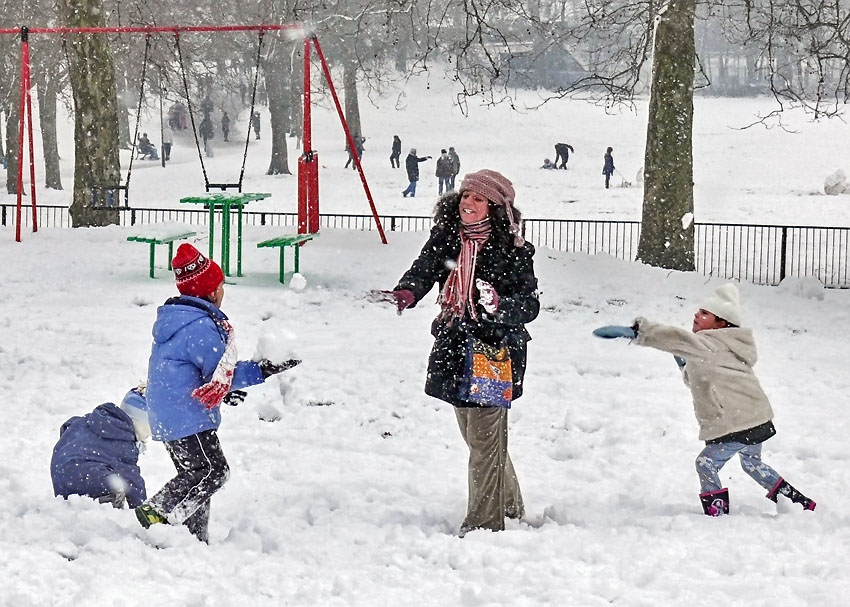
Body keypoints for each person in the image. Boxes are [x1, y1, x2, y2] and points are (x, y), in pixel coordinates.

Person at [375, 169, 540, 537]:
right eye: (466, 195)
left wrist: (498, 305)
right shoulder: (448, 236)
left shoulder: (513, 250)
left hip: (494, 352)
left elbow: (529, 305)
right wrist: (407, 292)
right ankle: (510, 505)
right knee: (478, 435)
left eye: (478, 199)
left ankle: (483, 523)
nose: (468, 203)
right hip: (455, 346)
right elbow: (424, 269)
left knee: (484, 439)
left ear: (495, 208)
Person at [594, 283, 816, 516]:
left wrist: (641, 333)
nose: (696, 315)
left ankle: (716, 513)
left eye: (704, 314)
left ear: (721, 324)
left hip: (739, 422)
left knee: (706, 464)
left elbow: (676, 338)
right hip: (756, 418)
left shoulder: (708, 343)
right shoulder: (728, 346)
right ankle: (799, 504)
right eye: (699, 311)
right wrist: (686, 365)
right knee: (752, 464)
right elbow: (708, 380)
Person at [134, 243, 300, 542]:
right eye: (220, 286)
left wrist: (222, 393)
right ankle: (157, 512)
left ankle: (193, 540)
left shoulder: (179, 318)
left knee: (196, 479)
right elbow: (224, 372)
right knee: (213, 472)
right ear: (211, 292)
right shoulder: (199, 326)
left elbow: (197, 374)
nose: (222, 292)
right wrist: (264, 369)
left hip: (169, 413)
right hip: (187, 416)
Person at [51, 386, 151, 509]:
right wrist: (142, 509)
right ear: (138, 421)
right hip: (90, 481)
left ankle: (75, 501)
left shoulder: (91, 421)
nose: (148, 436)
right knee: (118, 485)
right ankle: (106, 511)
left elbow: (67, 426)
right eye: (148, 429)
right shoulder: (124, 443)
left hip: (61, 476)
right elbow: (133, 483)